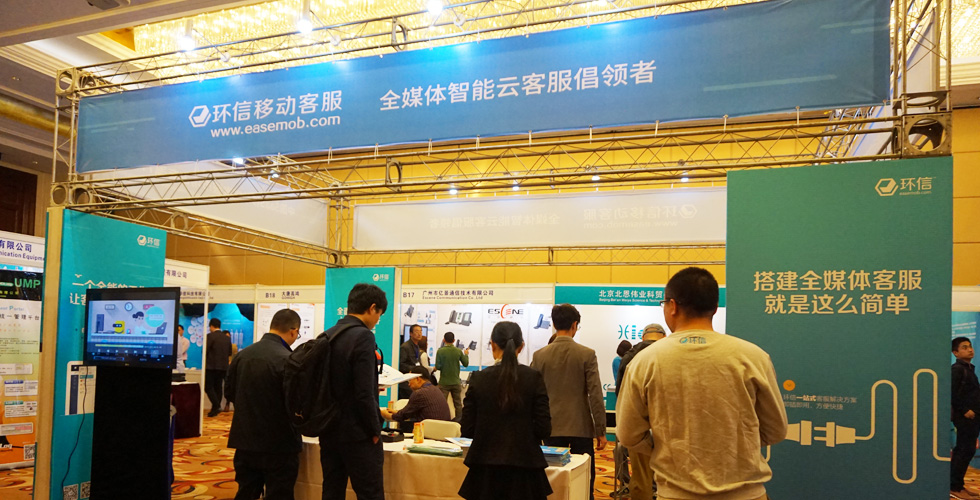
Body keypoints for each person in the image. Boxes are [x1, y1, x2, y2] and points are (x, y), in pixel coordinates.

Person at [617, 267, 787, 500]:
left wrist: (665, 448)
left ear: (673, 306)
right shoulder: (754, 357)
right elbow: (776, 430)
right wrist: (736, 444)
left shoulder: (645, 361)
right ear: (714, 308)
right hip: (747, 494)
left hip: (676, 493)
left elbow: (628, 434)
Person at [459, 321, 552, 500]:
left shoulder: (479, 379)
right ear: (521, 347)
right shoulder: (533, 378)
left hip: (484, 471)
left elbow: (468, 429)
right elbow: (543, 429)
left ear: (492, 344)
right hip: (526, 470)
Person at [530, 304, 606, 500]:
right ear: (574, 325)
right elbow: (595, 394)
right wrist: (600, 430)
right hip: (581, 426)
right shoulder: (587, 354)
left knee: (553, 475)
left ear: (554, 325)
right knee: (583, 476)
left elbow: (532, 394)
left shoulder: (539, 356)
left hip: (551, 426)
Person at [318, 283, 387, 500]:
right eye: (379, 314)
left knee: (332, 490)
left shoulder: (327, 335)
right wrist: (375, 430)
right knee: (370, 494)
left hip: (328, 430)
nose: (378, 320)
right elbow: (364, 393)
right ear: (372, 308)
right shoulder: (363, 336)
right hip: (358, 433)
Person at [225, 309, 302, 500]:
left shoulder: (242, 355)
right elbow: (296, 402)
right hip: (279, 443)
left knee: (246, 492)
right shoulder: (288, 360)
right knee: (279, 494)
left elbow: (230, 393)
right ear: (293, 331)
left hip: (245, 440)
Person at [613, 323, 666, 500]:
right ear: (663, 336)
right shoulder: (671, 353)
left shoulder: (630, 356)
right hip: (667, 425)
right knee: (671, 477)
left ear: (643, 336)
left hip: (638, 426)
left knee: (641, 478)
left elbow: (621, 392)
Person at [951, 337, 980, 500]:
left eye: (970, 346)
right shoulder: (957, 370)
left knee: (967, 450)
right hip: (965, 417)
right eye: (964, 347)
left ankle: (959, 485)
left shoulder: (968, 369)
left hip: (972, 417)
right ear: (955, 352)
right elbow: (952, 393)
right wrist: (964, 410)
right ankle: (954, 486)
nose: (970, 349)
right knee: (963, 450)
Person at [381, 366, 451, 430]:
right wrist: (397, 412)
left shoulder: (419, 393)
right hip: (444, 431)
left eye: (410, 380)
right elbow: (412, 412)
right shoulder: (436, 389)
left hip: (429, 432)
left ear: (418, 379)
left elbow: (402, 416)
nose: (408, 384)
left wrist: (385, 414)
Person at [435, 331, 470, 421]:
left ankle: (442, 420)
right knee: (458, 404)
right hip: (456, 382)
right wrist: (466, 354)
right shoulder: (458, 351)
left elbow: (438, 367)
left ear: (444, 340)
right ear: (454, 340)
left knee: (442, 403)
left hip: (444, 382)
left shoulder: (440, 351)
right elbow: (465, 364)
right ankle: (459, 421)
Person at [205, 318, 232, 417]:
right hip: (223, 367)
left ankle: (216, 405)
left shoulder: (210, 336)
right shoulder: (227, 338)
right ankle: (214, 409)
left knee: (208, 387)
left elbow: (205, 351)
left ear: (211, 326)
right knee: (218, 387)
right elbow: (229, 352)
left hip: (211, 366)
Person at [399, 324, 424, 397]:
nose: (419, 333)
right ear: (410, 333)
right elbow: (401, 364)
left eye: (420, 331)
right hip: (406, 382)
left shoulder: (417, 346)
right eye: (416, 331)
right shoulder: (405, 347)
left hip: (414, 379)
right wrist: (413, 369)